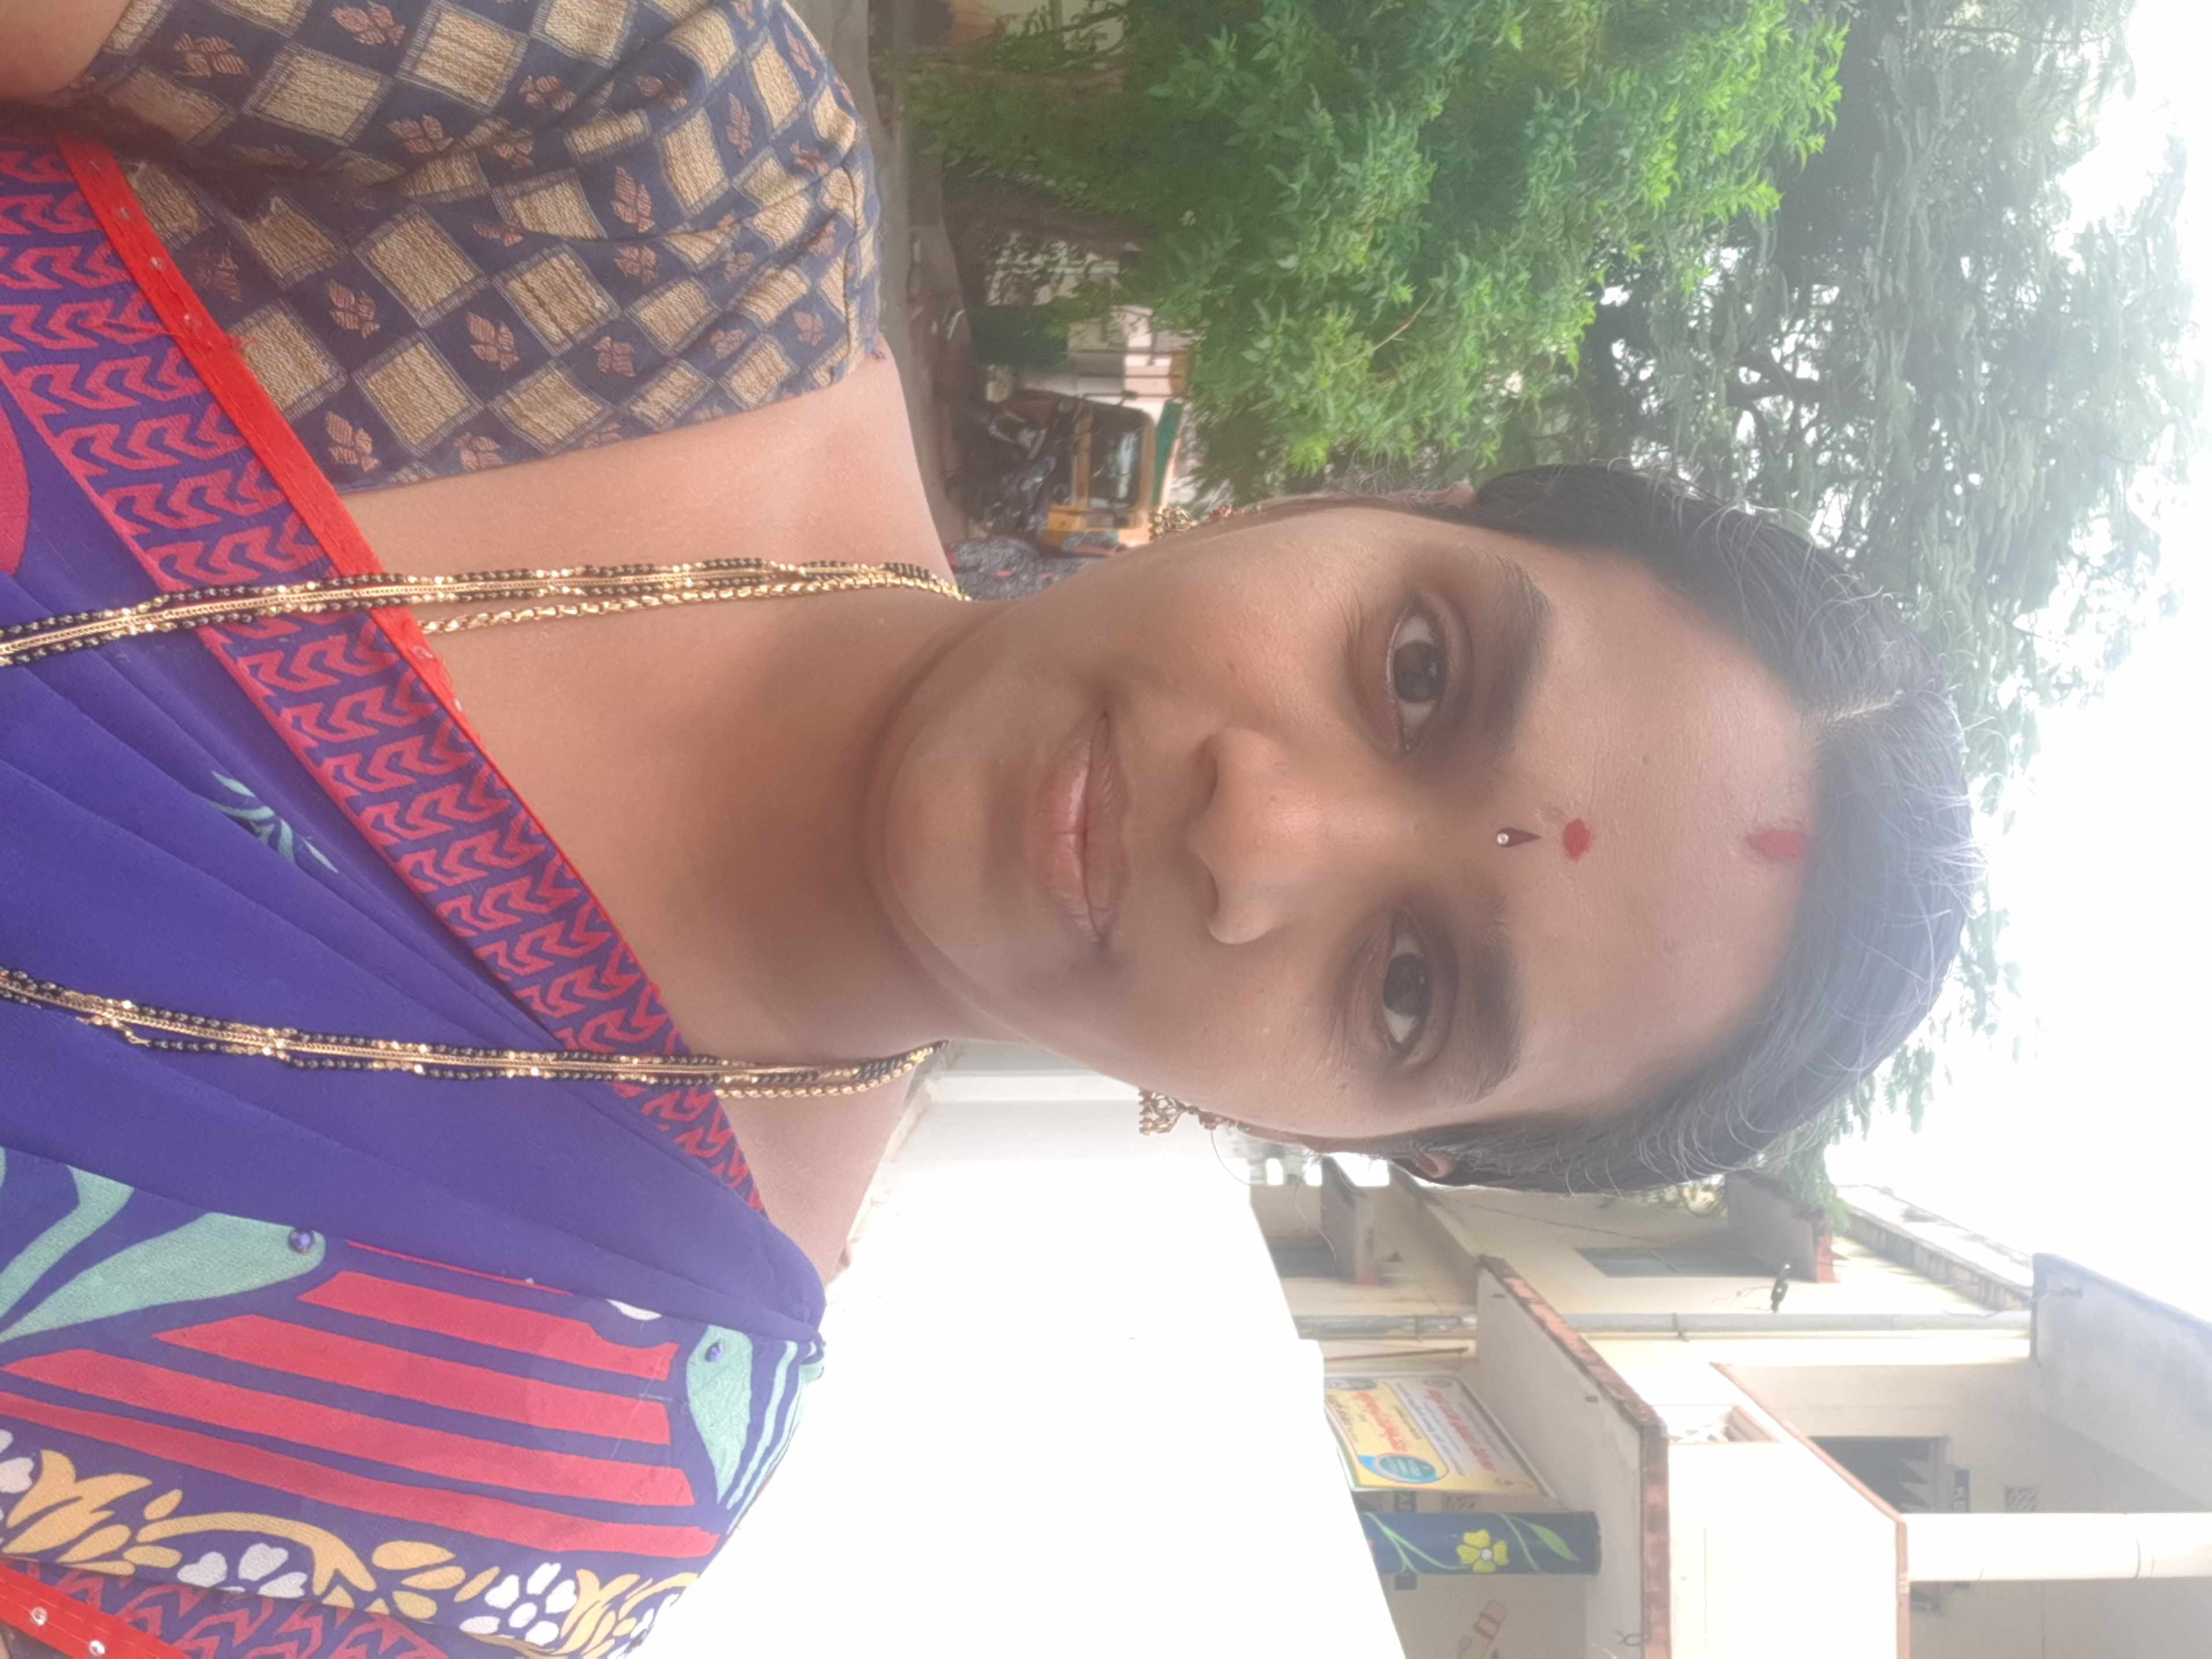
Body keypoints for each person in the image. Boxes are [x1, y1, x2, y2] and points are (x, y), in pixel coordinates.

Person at [0, 4, 1976, 1659]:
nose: (1261, 831)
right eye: (1418, 669)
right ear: (1363, 502)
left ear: (1372, 1141)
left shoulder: (566, 1439)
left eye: (1406, 986)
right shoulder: (656, 175)